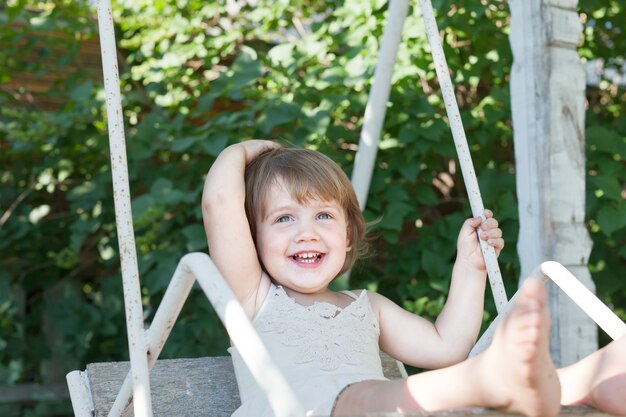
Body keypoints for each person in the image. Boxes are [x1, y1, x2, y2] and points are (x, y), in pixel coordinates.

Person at [202, 139, 626, 417]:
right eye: (284, 218)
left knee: (382, 397)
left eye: (324, 215)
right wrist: (240, 151)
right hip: (317, 410)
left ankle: (585, 381)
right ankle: (492, 379)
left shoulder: (367, 306)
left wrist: (470, 268)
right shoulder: (253, 299)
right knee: (365, 395)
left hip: (382, 408)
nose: (306, 231)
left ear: (348, 234)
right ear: (252, 240)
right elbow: (220, 201)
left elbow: (446, 346)